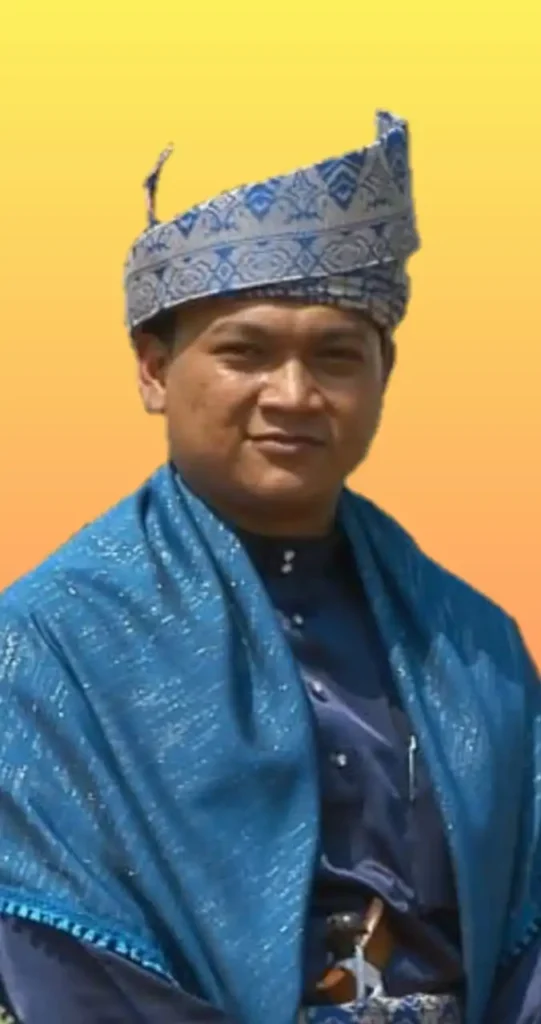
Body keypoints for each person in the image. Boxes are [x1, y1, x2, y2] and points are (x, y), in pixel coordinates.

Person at [0, 112, 539, 1024]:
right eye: (244, 352)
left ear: (383, 375)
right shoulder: (52, 643)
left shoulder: (473, 641)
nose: (293, 395)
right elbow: (68, 968)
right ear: (153, 371)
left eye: (335, 356)